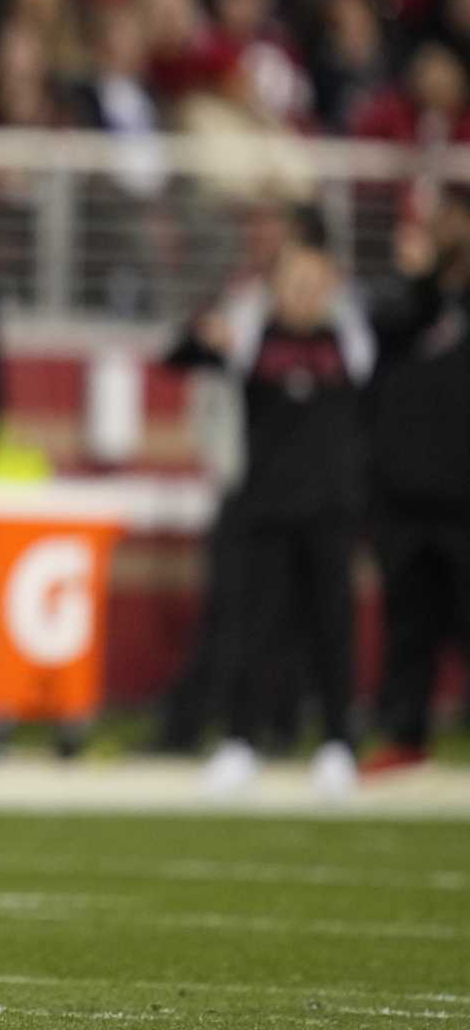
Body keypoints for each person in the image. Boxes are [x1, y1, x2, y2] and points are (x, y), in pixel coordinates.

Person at [183, 240, 373, 797]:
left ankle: (339, 743)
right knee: (253, 631)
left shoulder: (353, 342)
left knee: (333, 631)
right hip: (264, 509)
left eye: (315, 283)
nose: (304, 294)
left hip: (331, 510)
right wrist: (213, 329)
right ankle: (241, 741)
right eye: (294, 282)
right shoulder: (249, 336)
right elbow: (182, 355)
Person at [362, 189, 470, 774]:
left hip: (463, 495)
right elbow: (393, 324)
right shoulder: (405, 298)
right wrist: (431, 273)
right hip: (403, 493)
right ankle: (406, 734)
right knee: (409, 624)